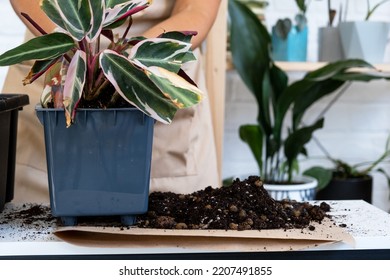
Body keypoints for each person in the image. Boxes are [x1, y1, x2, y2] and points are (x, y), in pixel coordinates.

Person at [2, 0, 221, 203]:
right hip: (58, 59)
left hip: (153, 74)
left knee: (163, 235)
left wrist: (121, 66)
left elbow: (196, 9)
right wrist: (79, 52)